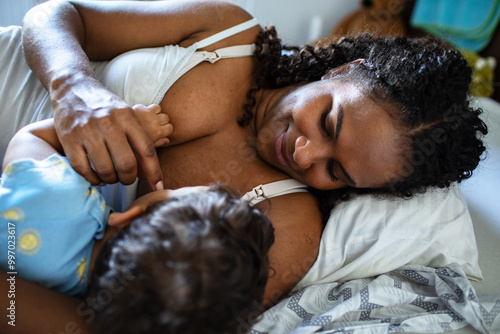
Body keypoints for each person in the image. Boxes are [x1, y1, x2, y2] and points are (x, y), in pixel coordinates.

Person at [0, 0, 487, 330]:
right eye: (328, 122)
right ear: (343, 71)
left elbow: (146, 315)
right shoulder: (227, 31)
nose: (305, 153)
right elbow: (55, 14)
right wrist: (72, 87)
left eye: (335, 171)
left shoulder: (285, 224)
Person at [0, 110, 274, 334]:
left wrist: (122, 133)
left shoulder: (64, 193)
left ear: (130, 218)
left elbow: (30, 136)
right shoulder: (75, 301)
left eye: (175, 192)